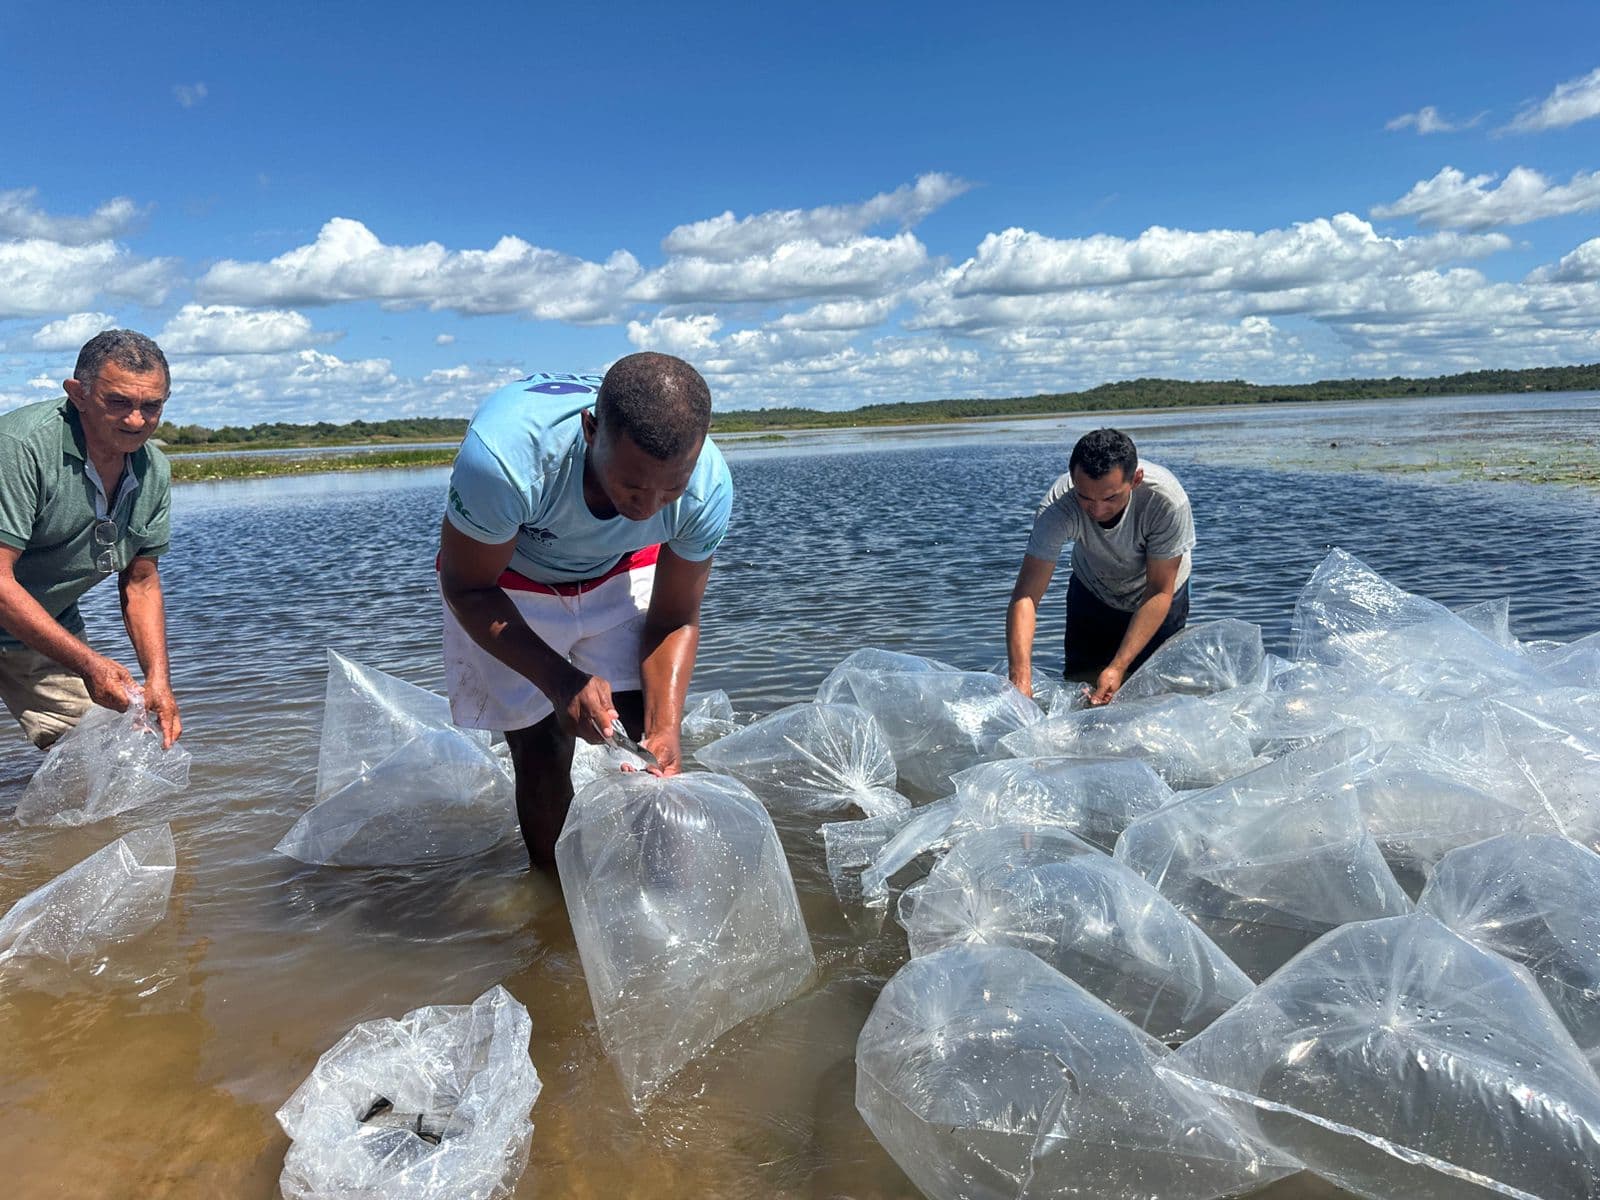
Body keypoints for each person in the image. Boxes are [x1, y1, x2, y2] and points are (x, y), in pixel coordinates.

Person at [437, 353, 732, 869]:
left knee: (648, 745)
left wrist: (667, 728)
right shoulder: (506, 462)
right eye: (631, 485)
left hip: (619, 563)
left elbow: (675, 618)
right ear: (591, 430)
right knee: (544, 748)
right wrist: (558, 679)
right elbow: (467, 585)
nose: (647, 506)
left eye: (671, 488)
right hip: (508, 579)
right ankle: (555, 889)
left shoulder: (706, 488)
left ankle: (662, 886)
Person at [0, 329, 181, 749]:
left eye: (150, 406)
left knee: (105, 752)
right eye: (117, 402)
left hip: (40, 623)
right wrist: (90, 664)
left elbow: (141, 582)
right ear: (78, 394)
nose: (136, 420)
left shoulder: (152, 471)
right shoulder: (19, 448)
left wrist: (158, 681)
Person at [1007, 427, 1194, 706]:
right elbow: (1026, 596)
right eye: (1085, 497)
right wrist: (1020, 677)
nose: (1096, 510)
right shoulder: (1058, 506)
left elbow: (1159, 590)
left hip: (1158, 597)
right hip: (1093, 591)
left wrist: (1118, 666)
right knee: (1082, 687)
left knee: (1154, 696)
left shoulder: (1165, 501)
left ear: (1136, 480)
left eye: (1110, 498)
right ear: (1073, 480)